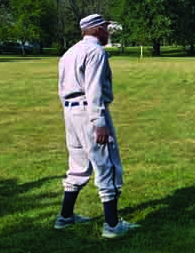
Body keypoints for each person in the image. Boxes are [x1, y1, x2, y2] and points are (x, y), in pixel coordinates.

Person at [55, 14, 140, 238]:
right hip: (89, 111)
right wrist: (99, 123)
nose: (107, 32)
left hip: (70, 112)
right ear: (95, 30)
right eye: (104, 28)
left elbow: (61, 86)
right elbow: (94, 89)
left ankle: (65, 217)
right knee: (108, 165)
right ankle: (112, 226)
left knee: (77, 165)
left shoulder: (69, 52)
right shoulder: (96, 52)